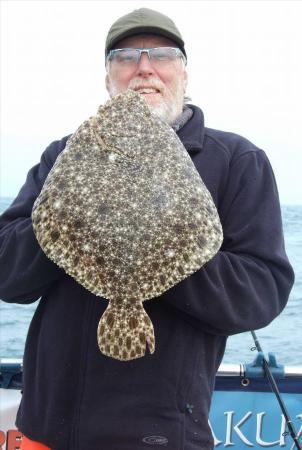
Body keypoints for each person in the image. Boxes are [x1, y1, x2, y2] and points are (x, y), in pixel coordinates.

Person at [0, 7, 294, 450]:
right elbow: (6, 272)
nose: (144, 68)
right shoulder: (65, 154)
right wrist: (71, 221)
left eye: (162, 55)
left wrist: (155, 249)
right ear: (107, 77)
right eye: (125, 56)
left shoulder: (236, 161)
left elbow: (261, 292)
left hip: (163, 436)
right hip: (47, 430)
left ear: (184, 73)